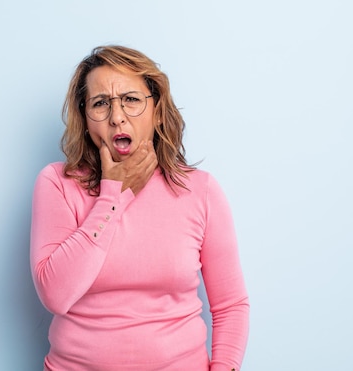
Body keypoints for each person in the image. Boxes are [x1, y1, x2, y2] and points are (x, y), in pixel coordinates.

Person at [30, 45, 249, 371]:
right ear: (86, 119)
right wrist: (114, 196)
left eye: (131, 100)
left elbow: (231, 305)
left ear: (157, 111)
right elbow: (55, 296)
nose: (117, 116)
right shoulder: (57, 183)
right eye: (101, 103)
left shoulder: (200, 190)